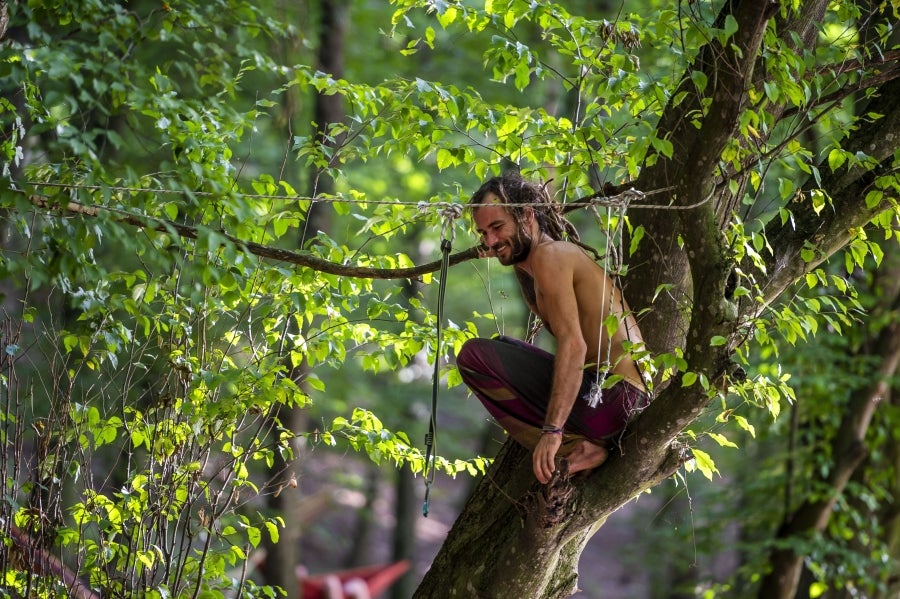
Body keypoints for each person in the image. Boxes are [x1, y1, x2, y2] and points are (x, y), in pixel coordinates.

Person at [455, 171, 650, 484]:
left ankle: (575, 448)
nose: (489, 240)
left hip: (611, 399)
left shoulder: (551, 255)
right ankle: (585, 444)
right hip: (621, 402)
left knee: (473, 356)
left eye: (497, 227)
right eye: (483, 233)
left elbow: (574, 345)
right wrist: (506, 247)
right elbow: (533, 281)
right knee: (503, 345)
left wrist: (552, 431)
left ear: (526, 215)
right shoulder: (543, 262)